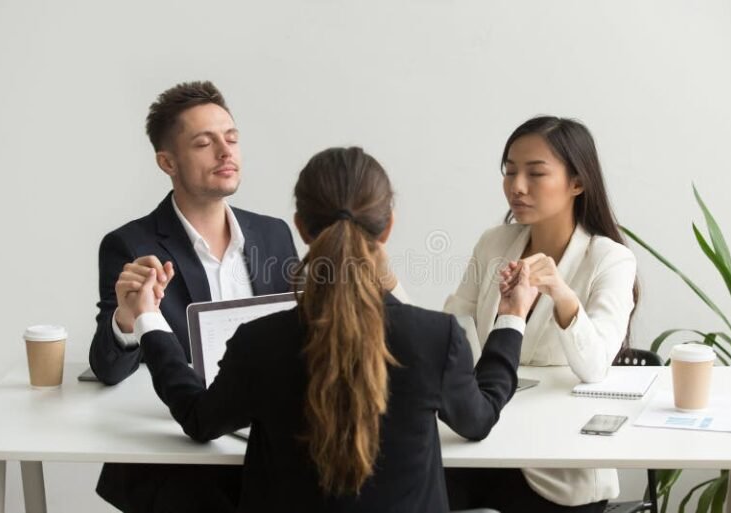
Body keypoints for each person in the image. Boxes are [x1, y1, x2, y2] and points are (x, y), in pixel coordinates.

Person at [122, 146, 537, 512]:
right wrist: (512, 316)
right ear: (387, 227)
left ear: (301, 226)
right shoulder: (435, 337)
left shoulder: (259, 341)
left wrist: (148, 320)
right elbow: (478, 420)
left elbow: (200, 419)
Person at [89, 81, 298, 512]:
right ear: (167, 162)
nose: (225, 152)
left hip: (267, 440)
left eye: (232, 139)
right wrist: (128, 320)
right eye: (204, 143)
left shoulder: (273, 233)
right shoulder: (130, 245)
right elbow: (108, 369)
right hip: (180, 456)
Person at [444, 117, 638, 513]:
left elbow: (596, 365)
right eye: (510, 171)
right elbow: (456, 325)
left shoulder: (610, 259)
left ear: (577, 183)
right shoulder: (494, 243)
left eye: (535, 173)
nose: (516, 186)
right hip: (482, 444)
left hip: (559, 465)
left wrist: (563, 296)